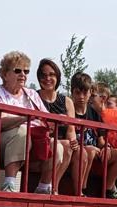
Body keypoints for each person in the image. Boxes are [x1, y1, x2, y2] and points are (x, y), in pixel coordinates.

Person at [0, 51, 63, 194]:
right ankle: (9, 184)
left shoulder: (31, 94)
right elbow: (0, 121)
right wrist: (26, 117)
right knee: (23, 132)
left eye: (26, 71)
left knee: (57, 146)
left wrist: (55, 122)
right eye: (17, 70)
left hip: (33, 141)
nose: (22, 74)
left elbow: (45, 118)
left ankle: (43, 187)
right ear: (5, 74)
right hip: (5, 141)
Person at [36, 58, 82, 193]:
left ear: (57, 77)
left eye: (51, 75)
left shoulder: (66, 101)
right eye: (43, 75)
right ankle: (47, 187)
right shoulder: (34, 96)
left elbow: (71, 129)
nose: (47, 78)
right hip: (42, 140)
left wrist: (73, 140)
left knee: (69, 145)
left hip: (62, 141)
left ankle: (53, 187)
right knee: (61, 145)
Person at [85, 82, 117, 199]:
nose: (89, 98)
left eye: (93, 96)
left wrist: (107, 147)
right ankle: (82, 190)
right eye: (90, 95)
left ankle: (109, 190)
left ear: (102, 98)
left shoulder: (110, 114)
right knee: (91, 151)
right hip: (86, 149)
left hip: (103, 149)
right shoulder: (88, 111)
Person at [69, 72, 101, 195]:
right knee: (87, 151)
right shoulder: (68, 109)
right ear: (72, 92)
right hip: (76, 150)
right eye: (77, 93)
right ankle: (81, 189)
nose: (81, 97)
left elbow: (102, 136)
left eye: (85, 93)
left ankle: (112, 190)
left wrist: (106, 147)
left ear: (90, 93)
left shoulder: (94, 113)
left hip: (94, 150)